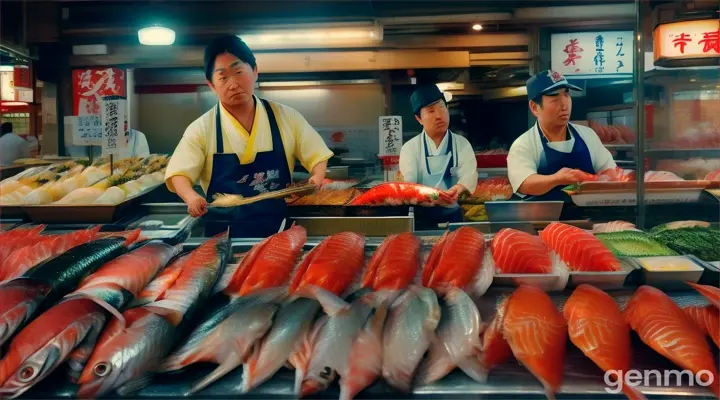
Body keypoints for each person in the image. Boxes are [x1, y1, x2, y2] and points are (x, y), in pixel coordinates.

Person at [165, 35, 332, 237]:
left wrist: (317, 177)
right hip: (221, 236)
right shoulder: (201, 128)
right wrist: (191, 197)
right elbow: (179, 173)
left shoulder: (286, 117)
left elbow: (316, 154)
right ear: (211, 85)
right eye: (223, 77)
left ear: (254, 71)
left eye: (238, 72)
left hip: (278, 232)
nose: (233, 84)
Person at [507, 70, 616, 201]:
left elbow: (610, 170)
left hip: (590, 215)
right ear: (535, 107)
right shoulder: (524, 144)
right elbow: (525, 184)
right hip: (545, 218)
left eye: (566, 95)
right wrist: (557, 179)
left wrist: (599, 180)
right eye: (554, 98)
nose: (564, 105)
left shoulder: (587, 135)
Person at [399, 84, 478, 226]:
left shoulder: (462, 144)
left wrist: (458, 188)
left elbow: (468, 176)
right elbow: (410, 186)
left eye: (442, 107)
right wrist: (437, 196)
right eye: (431, 111)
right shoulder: (410, 149)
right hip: (422, 219)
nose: (439, 115)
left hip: (454, 216)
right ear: (419, 119)